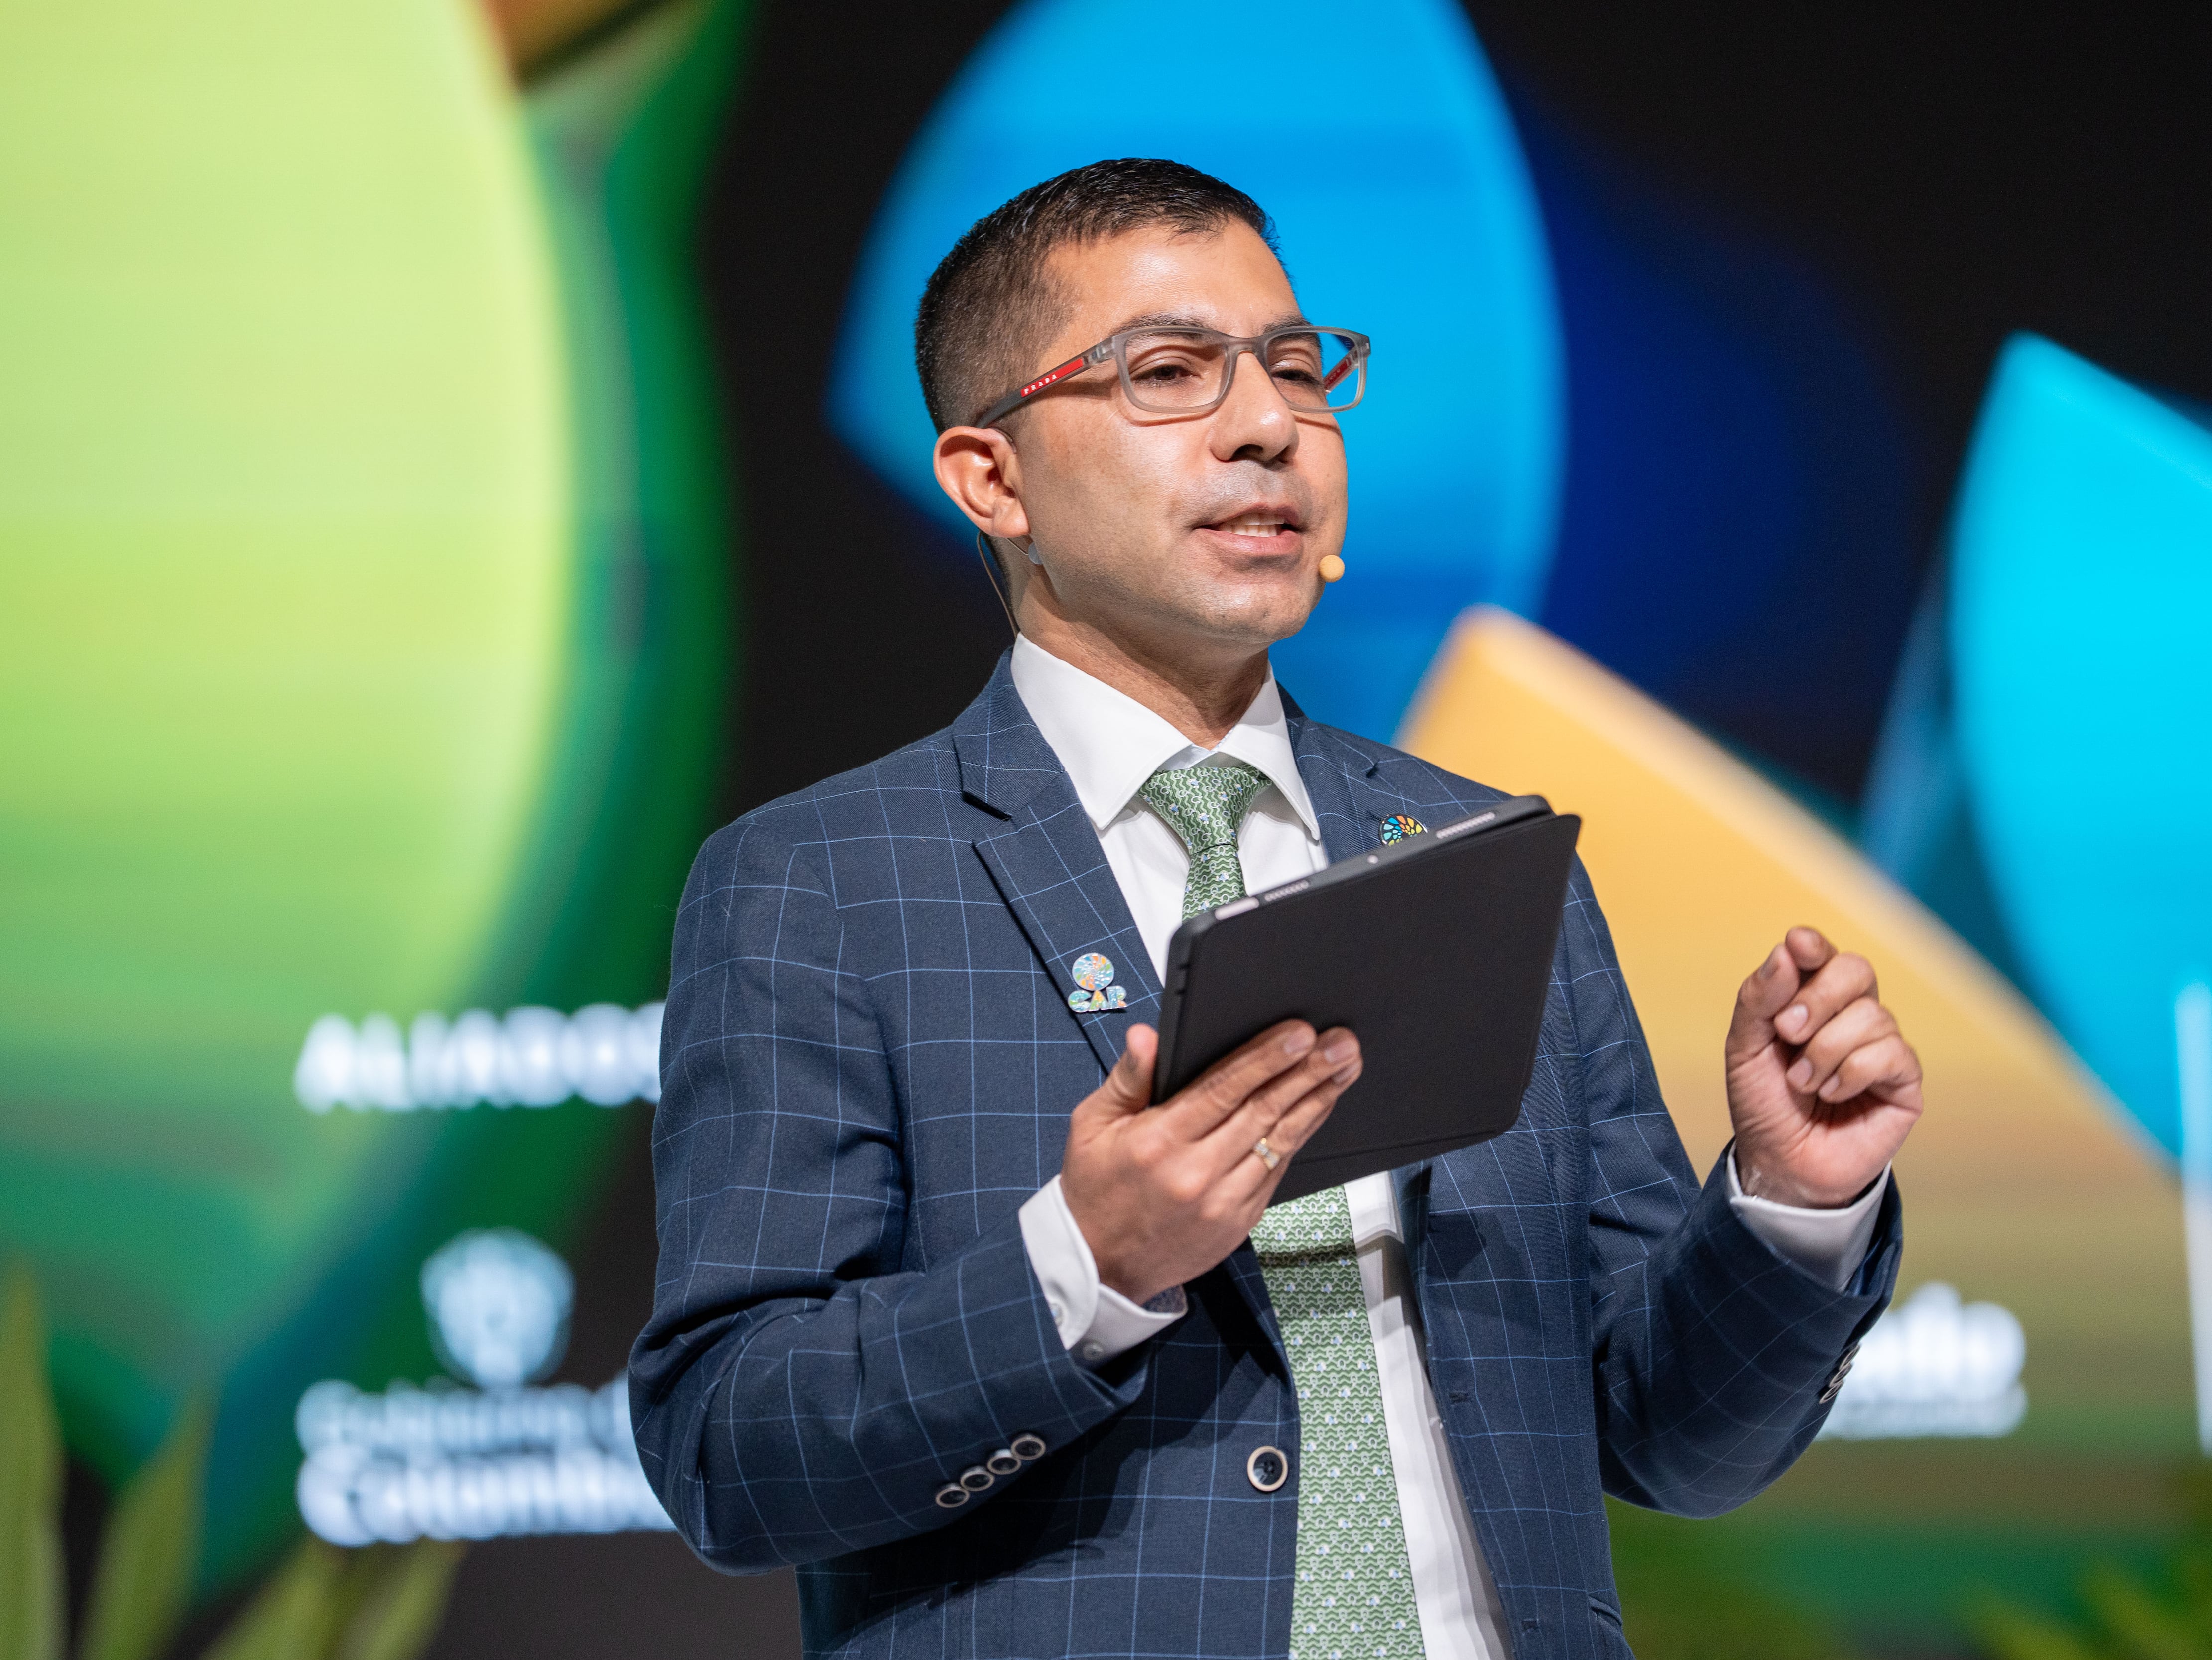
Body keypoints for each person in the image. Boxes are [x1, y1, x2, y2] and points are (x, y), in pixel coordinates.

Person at [631, 159, 1925, 1660]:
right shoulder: (824, 881)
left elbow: (1671, 1443)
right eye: (1170, 373)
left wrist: (1790, 1205)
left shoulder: (1485, 857)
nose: (1269, 427)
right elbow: (732, 1453)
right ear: (994, 479)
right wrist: (1086, 1266)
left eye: (1300, 369)